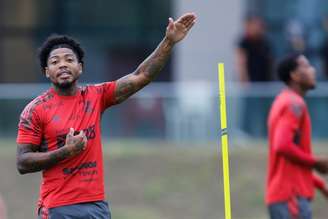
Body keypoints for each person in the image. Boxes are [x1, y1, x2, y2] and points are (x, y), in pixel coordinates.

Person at [16, 12, 196, 219]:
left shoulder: (96, 95)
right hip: (58, 207)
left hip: (96, 206)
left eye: (69, 59)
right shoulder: (35, 110)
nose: (63, 64)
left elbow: (141, 76)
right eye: (55, 62)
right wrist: (66, 151)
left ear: (80, 67)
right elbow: (22, 162)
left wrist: (168, 42)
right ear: (47, 72)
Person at [266, 53, 328, 219]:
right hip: (291, 197)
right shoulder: (294, 104)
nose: (312, 70)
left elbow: (291, 166)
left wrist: (321, 185)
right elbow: (283, 145)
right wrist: (316, 162)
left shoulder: (282, 101)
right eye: (306, 66)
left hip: (284, 195)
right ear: (294, 75)